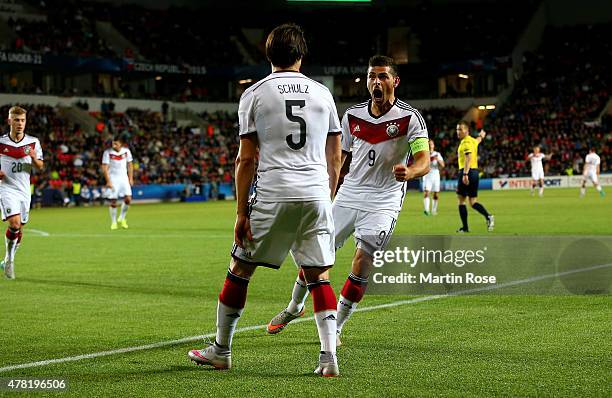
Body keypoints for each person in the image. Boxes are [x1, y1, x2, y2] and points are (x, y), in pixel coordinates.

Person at [187, 23, 343, 377]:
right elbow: (335, 158)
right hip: (316, 194)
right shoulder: (323, 94)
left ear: (268, 54)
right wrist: (326, 197)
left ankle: (222, 350)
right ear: (301, 55)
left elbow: (245, 160)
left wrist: (241, 212)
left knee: (240, 268)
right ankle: (328, 357)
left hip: (274, 193)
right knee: (319, 276)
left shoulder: (254, 94)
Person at [266, 55, 430, 346]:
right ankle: (294, 306)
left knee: (362, 259)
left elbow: (423, 161)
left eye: (382, 76)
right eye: (371, 77)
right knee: (315, 254)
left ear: (395, 81)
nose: (376, 82)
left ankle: (337, 326)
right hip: (349, 193)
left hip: (384, 199)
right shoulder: (353, 115)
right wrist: (328, 189)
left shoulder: (410, 118)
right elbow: (339, 157)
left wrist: (412, 171)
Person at [0, 106, 44, 279]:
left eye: (22, 120)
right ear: (9, 121)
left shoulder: (33, 142)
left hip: (24, 190)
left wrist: (34, 158)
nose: (20, 123)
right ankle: (10, 261)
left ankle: (5, 260)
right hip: (6, 188)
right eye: (16, 120)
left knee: (20, 229)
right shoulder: (1, 142)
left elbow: (41, 166)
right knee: (15, 224)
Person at [455, 121, 494, 232]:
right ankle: (488, 216)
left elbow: (468, 157)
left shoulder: (465, 142)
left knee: (461, 201)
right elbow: (478, 140)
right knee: (473, 202)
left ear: (466, 130)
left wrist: (465, 174)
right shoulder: (472, 141)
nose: (458, 132)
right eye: (457, 129)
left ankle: (465, 228)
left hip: (466, 171)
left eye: (460, 129)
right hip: (475, 172)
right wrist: (481, 135)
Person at [101, 136, 133, 230]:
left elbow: (130, 165)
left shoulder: (126, 151)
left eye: (116, 143)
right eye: (113, 143)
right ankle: (114, 222)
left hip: (124, 178)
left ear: (121, 144)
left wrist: (130, 178)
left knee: (128, 199)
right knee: (113, 201)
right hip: (113, 179)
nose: (113, 145)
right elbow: (105, 168)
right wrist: (108, 181)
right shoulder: (107, 153)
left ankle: (122, 218)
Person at [422, 139, 445, 215]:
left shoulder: (437, 154)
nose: (430, 145)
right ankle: (426, 210)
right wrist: (431, 159)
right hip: (427, 175)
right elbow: (422, 164)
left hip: (435, 175)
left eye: (431, 144)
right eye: (428, 144)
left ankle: (434, 210)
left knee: (436, 194)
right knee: (426, 192)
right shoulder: (424, 154)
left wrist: (437, 159)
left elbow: (443, 165)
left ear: (433, 145)